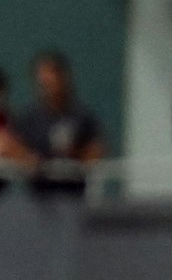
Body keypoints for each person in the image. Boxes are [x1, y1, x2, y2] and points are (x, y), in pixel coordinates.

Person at [6, 52, 103, 192]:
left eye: (50, 79)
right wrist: (28, 159)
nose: (46, 85)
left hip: (73, 193)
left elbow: (96, 149)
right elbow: (12, 145)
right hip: (39, 196)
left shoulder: (81, 116)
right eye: (42, 82)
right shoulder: (30, 117)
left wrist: (78, 157)